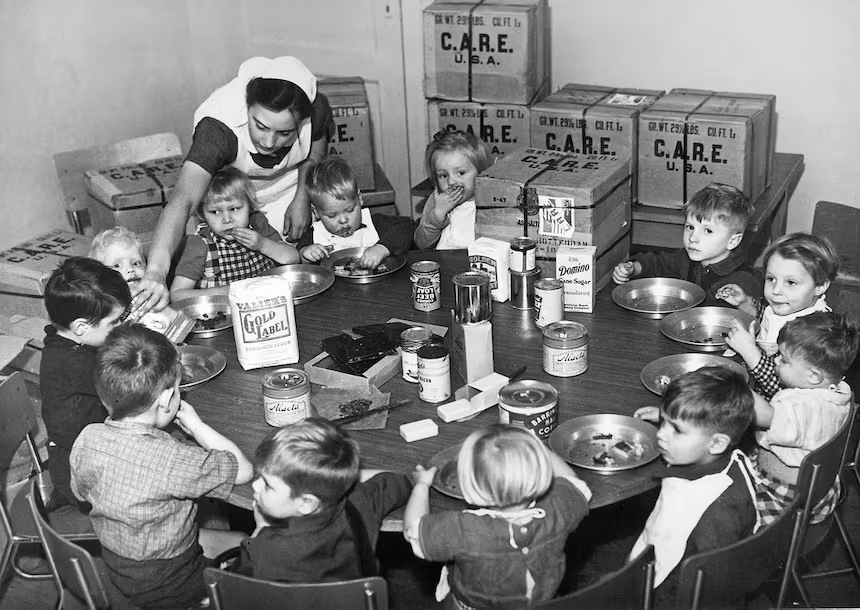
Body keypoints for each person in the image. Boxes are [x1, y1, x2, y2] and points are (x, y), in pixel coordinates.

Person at [70, 324, 254, 609]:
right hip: (173, 587)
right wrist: (197, 426)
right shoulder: (173, 460)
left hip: (121, 569)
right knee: (245, 542)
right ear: (167, 399)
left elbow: (80, 493)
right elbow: (243, 470)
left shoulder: (86, 438)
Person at [134, 56, 332, 314]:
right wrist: (156, 272)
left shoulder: (317, 108)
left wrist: (302, 196)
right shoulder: (217, 129)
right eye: (260, 126)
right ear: (246, 108)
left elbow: (316, 146)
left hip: (289, 188)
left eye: (284, 133)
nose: (270, 142)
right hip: (236, 198)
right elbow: (184, 200)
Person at [404, 424, 592, 608]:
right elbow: (571, 480)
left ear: (468, 492)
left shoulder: (462, 529)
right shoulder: (557, 511)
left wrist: (421, 486)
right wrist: (536, 447)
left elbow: (412, 530)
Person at [631, 366, 760, 608]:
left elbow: (705, 588)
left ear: (716, 443)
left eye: (676, 430)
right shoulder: (722, 458)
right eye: (663, 423)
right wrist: (671, 420)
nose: (661, 435)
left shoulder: (719, 514)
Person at [232, 418, 412, 582]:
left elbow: (235, 589)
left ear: (306, 503)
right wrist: (338, 481)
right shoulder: (362, 501)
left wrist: (259, 530)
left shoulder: (264, 550)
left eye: (267, 484)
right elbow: (401, 483)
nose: (256, 485)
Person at [750, 312, 859, 526]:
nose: (776, 360)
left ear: (813, 376)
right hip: (820, 489)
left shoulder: (800, 408)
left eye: (784, 359)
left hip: (785, 500)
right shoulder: (840, 393)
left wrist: (735, 386)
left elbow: (765, 417)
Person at [39, 257, 131, 512]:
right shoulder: (74, 363)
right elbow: (129, 389)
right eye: (114, 322)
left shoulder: (63, 340)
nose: (120, 326)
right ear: (80, 327)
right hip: (80, 471)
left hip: (81, 449)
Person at [721, 232, 839, 399]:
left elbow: (782, 389)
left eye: (791, 282)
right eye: (771, 279)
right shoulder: (792, 305)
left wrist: (750, 351)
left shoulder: (816, 333)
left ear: (820, 286)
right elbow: (772, 320)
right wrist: (745, 304)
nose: (776, 291)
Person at [612, 183, 762, 307]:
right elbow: (658, 263)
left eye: (708, 231)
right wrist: (633, 268)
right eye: (690, 227)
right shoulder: (686, 258)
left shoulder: (743, 281)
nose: (693, 237)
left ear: (733, 241)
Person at [170, 166, 299, 301]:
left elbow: (293, 258)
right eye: (215, 212)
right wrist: (224, 292)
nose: (227, 219)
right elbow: (177, 295)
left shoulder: (257, 224)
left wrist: (262, 244)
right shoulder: (199, 244)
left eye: (234, 209)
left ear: (250, 207)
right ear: (202, 214)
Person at [297, 156, 415, 269]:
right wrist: (305, 254)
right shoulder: (315, 234)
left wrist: (381, 248)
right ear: (316, 212)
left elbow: (407, 225)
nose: (343, 220)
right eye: (332, 215)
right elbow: (298, 260)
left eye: (349, 210)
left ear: (359, 199)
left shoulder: (373, 223)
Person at [89, 226, 192, 339]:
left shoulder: (150, 297)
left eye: (136, 263)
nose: (130, 269)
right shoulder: (102, 307)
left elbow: (179, 326)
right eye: (117, 265)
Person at [413, 130, 494, 250]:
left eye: (461, 173)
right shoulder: (437, 201)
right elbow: (421, 244)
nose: (451, 182)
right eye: (443, 175)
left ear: (481, 172)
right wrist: (437, 215)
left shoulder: (492, 201)